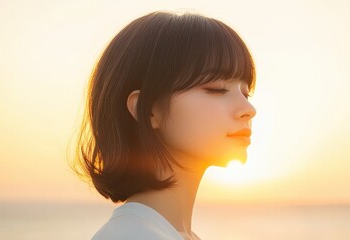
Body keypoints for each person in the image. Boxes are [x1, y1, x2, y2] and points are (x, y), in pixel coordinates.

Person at [71, 10, 257, 240]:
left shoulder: (172, 234)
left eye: (246, 93)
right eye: (216, 89)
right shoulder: (132, 235)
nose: (248, 110)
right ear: (148, 110)